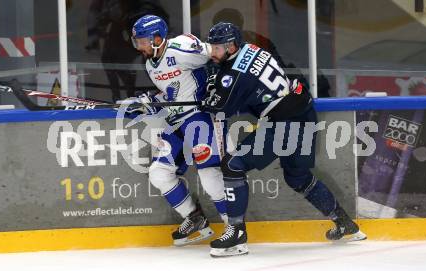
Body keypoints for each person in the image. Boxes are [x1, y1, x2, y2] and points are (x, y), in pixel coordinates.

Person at [200, 22, 366, 257]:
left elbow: (220, 108)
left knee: (233, 165)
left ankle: (236, 236)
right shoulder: (255, 49)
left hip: (284, 123)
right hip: (303, 110)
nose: (213, 53)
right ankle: (345, 223)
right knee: (298, 177)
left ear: (231, 46)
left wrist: (210, 93)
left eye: (217, 48)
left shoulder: (234, 76)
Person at [130, 15, 228, 246]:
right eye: (137, 42)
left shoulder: (182, 47)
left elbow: (219, 54)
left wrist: (218, 86)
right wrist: (151, 101)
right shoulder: (149, 65)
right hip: (176, 123)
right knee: (159, 173)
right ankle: (196, 219)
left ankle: (233, 226)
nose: (140, 47)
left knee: (209, 176)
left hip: (200, 117)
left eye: (143, 41)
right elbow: (174, 92)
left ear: (157, 38)